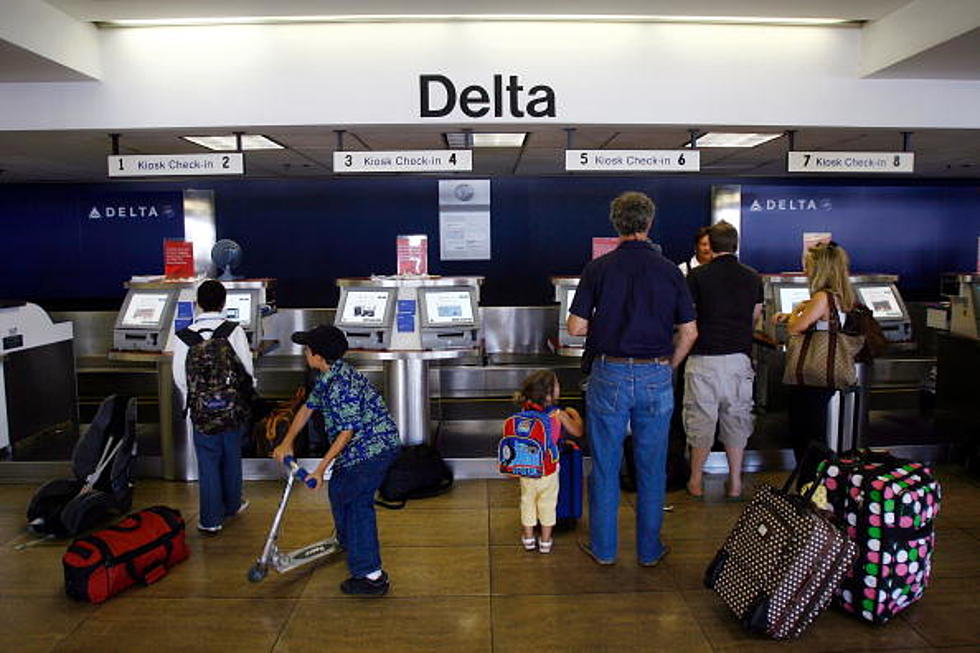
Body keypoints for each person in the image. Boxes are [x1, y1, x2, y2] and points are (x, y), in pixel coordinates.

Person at [568, 191, 697, 566]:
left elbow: (576, 326)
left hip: (609, 372)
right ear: (649, 224)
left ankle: (605, 550)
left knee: (606, 464)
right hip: (656, 370)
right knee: (651, 465)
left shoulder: (598, 268)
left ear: (616, 225)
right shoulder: (671, 270)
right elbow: (690, 332)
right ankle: (649, 550)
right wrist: (666, 366)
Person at [273, 325, 400, 597]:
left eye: (307, 349)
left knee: (356, 502)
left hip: (373, 449)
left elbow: (347, 431)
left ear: (318, 356)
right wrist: (287, 442)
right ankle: (349, 541)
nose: (305, 353)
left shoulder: (342, 385)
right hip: (356, 449)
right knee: (339, 490)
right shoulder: (329, 375)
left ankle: (371, 576)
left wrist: (320, 469)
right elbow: (308, 407)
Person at [683, 221, 763, 500]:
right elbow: (755, 316)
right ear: (735, 245)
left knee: (701, 421)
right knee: (737, 420)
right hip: (739, 358)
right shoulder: (753, 277)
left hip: (704, 358)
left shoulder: (697, 276)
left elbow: (686, 320)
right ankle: (736, 481)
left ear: (711, 245)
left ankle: (695, 480)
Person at [172, 279, 254, 535]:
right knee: (232, 455)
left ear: (197, 303)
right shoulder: (233, 331)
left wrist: (196, 397)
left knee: (207, 462)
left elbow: (178, 376)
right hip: (231, 409)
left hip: (201, 411)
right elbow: (246, 371)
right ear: (224, 303)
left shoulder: (184, 336)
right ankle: (232, 505)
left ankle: (210, 519)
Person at [772, 241, 856, 464]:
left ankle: (812, 485)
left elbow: (795, 328)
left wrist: (793, 315)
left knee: (807, 434)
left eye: (808, 266)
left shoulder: (821, 297)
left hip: (812, 378)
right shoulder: (840, 295)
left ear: (820, 269)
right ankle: (816, 485)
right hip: (823, 378)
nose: (805, 271)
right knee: (814, 430)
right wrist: (798, 311)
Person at [512, 370, 584, 554]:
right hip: (549, 468)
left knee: (527, 500)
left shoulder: (524, 411)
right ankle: (545, 541)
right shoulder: (557, 414)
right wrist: (574, 414)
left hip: (527, 466)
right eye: (557, 385)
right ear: (549, 393)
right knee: (547, 503)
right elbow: (577, 432)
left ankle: (528, 538)